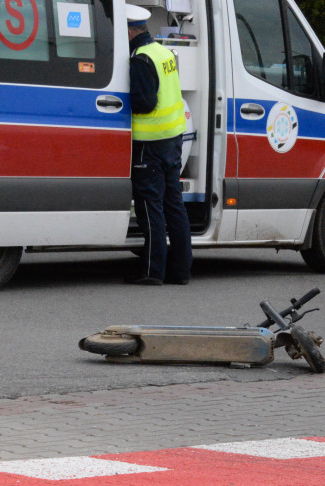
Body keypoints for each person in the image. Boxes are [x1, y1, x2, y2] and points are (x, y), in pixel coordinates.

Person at [124, 5, 191, 286]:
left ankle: (153, 272)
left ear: (129, 30)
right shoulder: (162, 52)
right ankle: (181, 271)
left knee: (151, 207)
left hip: (148, 144)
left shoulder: (140, 59)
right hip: (172, 139)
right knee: (174, 205)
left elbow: (146, 102)